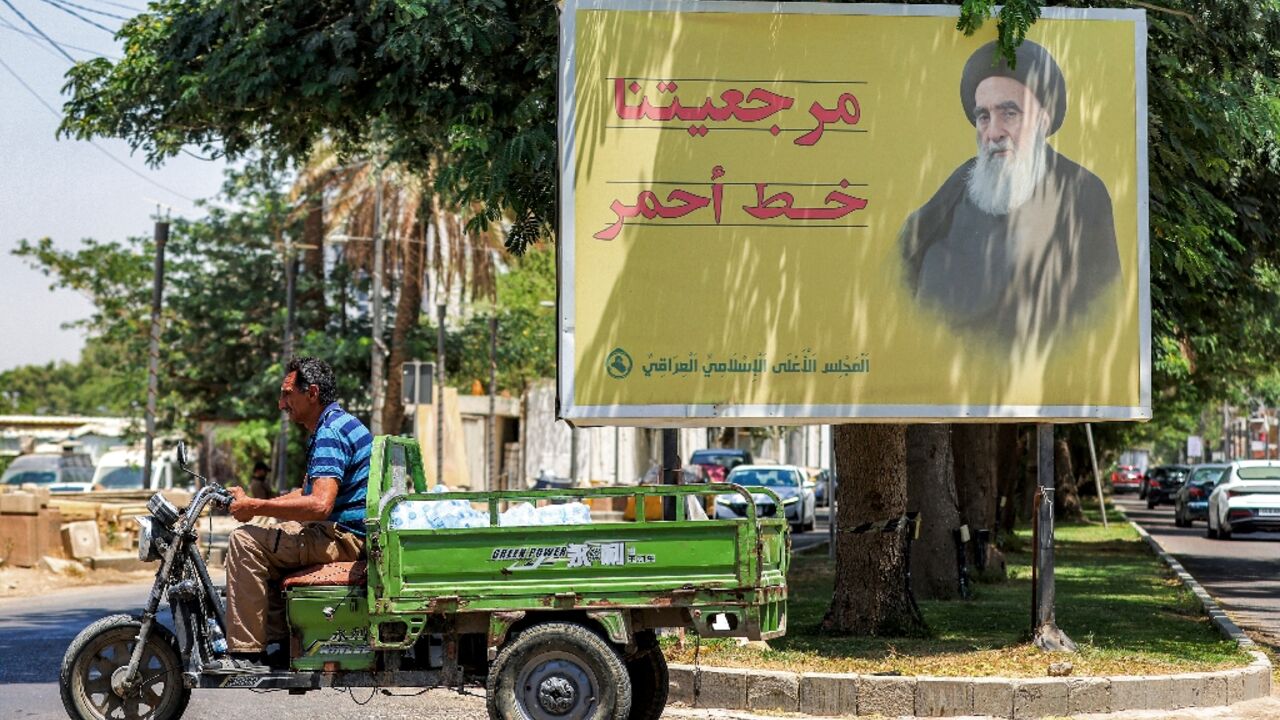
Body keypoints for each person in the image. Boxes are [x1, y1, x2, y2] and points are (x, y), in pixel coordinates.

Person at [899, 40, 1121, 343]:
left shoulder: (1082, 191)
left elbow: (1102, 311)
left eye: (1010, 113)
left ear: (1043, 121)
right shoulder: (964, 178)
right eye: (984, 117)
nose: (993, 132)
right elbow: (902, 255)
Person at [211, 356, 371, 673]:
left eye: (287, 394)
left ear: (311, 393)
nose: (282, 403)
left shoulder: (330, 433)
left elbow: (320, 505)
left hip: (344, 537)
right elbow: (306, 493)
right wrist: (257, 503)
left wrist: (255, 508)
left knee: (245, 542)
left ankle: (246, 655)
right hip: (346, 532)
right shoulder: (339, 424)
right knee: (268, 533)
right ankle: (283, 641)